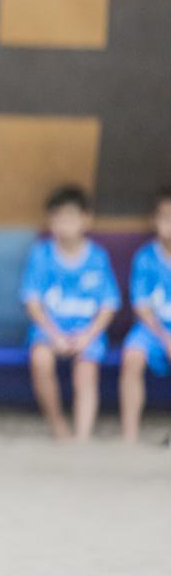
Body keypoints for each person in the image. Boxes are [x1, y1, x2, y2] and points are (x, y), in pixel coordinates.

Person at [23, 185, 120, 442]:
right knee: (41, 359)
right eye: (57, 217)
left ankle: (82, 435)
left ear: (86, 219)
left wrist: (88, 336)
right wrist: (54, 335)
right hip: (49, 330)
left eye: (70, 217)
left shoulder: (98, 257)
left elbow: (109, 304)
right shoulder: (41, 254)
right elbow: (32, 303)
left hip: (88, 332)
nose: (64, 224)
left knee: (86, 370)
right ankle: (58, 425)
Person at [119, 186, 171, 443]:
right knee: (132, 356)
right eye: (165, 216)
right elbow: (141, 306)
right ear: (154, 220)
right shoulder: (145, 257)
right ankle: (130, 435)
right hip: (152, 329)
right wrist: (165, 337)